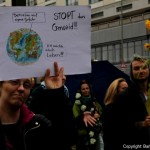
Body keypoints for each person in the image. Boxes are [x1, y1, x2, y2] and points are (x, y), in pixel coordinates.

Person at [0, 62, 71, 150]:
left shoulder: (38, 124)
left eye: (26, 85)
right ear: (1, 85)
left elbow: (62, 140)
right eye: (14, 82)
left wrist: (55, 93)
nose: (21, 88)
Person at [102, 56, 150, 150]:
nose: (141, 71)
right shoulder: (124, 97)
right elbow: (118, 127)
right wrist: (141, 124)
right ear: (131, 72)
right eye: (136, 68)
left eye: (144, 67)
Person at [28, 67, 75, 150]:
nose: (63, 77)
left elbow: (68, 122)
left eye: (64, 75)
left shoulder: (64, 90)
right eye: (59, 75)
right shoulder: (38, 92)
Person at [72, 80, 103, 150]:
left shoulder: (94, 101)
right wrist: (83, 117)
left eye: (87, 88)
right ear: (80, 90)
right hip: (83, 135)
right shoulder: (77, 103)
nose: (86, 90)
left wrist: (97, 115)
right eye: (83, 89)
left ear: (89, 89)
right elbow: (76, 118)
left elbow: (100, 112)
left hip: (95, 132)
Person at [102, 78, 128, 149]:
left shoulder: (130, 108)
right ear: (115, 91)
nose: (127, 91)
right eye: (124, 88)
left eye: (128, 89)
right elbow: (108, 136)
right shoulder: (109, 109)